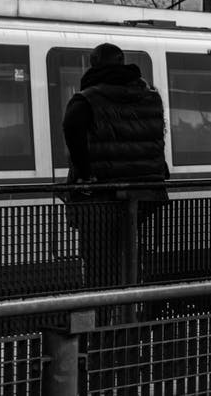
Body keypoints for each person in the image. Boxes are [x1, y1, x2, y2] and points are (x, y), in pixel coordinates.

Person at [62, 43, 168, 289]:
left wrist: (85, 173)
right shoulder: (151, 96)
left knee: (99, 262)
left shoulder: (87, 99)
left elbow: (71, 127)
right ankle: (129, 307)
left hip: (101, 194)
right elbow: (156, 137)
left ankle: (105, 315)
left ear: (94, 64)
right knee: (127, 252)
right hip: (144, 193)